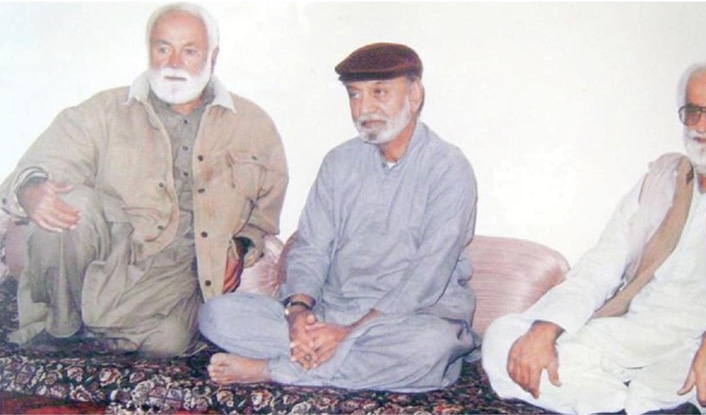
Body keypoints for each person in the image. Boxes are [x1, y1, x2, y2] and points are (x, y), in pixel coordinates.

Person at [482, 58, 706, 415]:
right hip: (636, 329)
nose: (702, 125)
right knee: (504, 341)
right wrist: (547, 329)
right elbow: (602, 263)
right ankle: (631, 407)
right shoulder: (661, 179)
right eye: (692, 111)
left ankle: (621, 402)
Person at [0, 2, 288, 357]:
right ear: (149, 49)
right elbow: (40, 166)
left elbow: (264, 213)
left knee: (167, 344)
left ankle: (101, 338)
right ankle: (58, 331)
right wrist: (30, 191)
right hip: (109, 258)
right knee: (68, 201)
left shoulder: (254, 125)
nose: (174, 63)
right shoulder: (105, 110)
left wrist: (242, 246)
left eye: (190, 51)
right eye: (163, 48)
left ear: (212, 57)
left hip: (178, 274)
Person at [198, 42, 479, 392]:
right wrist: (299, 312)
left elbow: (427, 277)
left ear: (415, 94)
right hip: (331, 313)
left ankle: (274, 369)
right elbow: (312, 247)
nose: (364, 108)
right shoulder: (339, 162)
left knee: (427, 349)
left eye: (379, 93)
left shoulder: (448, 169)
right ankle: (325, 357)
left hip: (409, 321)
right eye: (354, 95)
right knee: (216, 314)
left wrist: (349, 333)